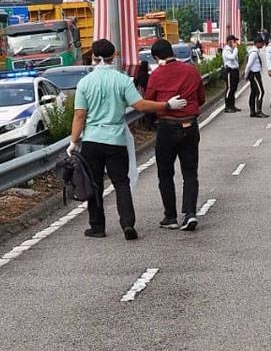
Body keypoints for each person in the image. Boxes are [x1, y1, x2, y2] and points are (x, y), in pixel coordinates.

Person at [68, 39, 187, 240]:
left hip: (92, 140)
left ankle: (97, 226)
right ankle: (127, 224)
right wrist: (167, 105)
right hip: (116, 139)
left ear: (94, 57)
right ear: (114, 56)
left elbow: (79, 115)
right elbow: (140, 105)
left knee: (94, 183)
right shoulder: (122, 80)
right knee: (121, 182)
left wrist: (73, 141)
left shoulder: (85, 83)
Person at [144, 39, 206, 232]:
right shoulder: (191, 70)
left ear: (156, 57)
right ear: (172, 51)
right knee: (189, 172)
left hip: (167, 126)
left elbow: (149, 101)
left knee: (165, 172)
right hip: (190, 125)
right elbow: (201, 97)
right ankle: (189, 213)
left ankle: (170, 216)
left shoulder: (156, 75)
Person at [246, 37, 268, 118]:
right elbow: (249, 65)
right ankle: (258, 111)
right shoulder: (254, 53)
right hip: (254, 74)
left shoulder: (255, 51)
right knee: (261, 92)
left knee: (254, 93)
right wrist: (246, 74)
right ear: (257, 43)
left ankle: (252, 111)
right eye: (262, 43)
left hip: (255, 74)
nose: (263, 45)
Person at [222, 35, 241, 113]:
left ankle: (232, 105)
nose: (235, 43)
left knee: (233, 89)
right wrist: (236, 48)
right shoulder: (226, 50)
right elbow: (232, 57)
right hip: (229, 71)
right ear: (230, 42)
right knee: (229, 89)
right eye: (234, 41)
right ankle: (227, 106)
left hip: (235, 70)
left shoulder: (232, 49)